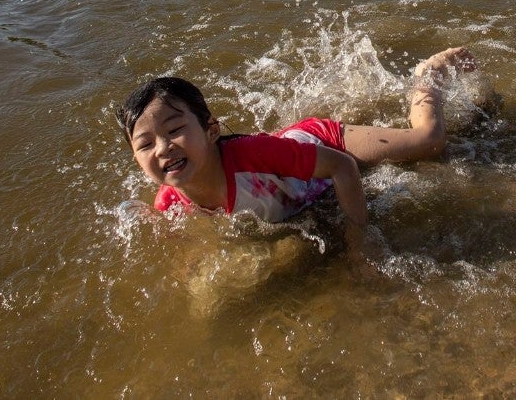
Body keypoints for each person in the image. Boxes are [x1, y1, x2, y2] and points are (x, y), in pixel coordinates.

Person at [115, 46, 478, 261]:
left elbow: (343, 166)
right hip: (291, 174)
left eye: (175, 130)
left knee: (430, 141)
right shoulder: (169, 205)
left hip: (323, 143)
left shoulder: (252, 154)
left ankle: (428, 74)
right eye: (145, 144)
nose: (163, 148)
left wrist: (359, 243)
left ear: (211, 130)